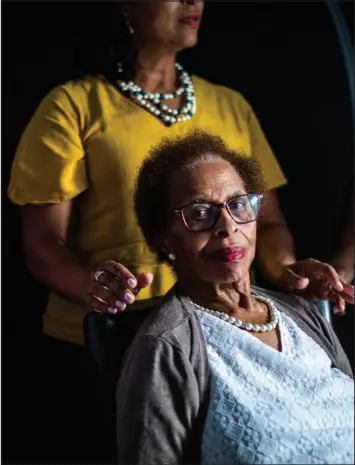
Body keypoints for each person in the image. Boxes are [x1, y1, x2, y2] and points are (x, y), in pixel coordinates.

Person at [6, 1, 347, 461]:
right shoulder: (74, 105)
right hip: (107, 343)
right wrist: (93, 284)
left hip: (222, 336)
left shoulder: (229, 105)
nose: (194, 2)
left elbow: (264, 223)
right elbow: (44, 243)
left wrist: (291, 274)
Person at [116, 130, 354, 465]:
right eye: (200, 212)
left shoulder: (300, 312)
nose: (228, 225)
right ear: (166, 239)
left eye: (239, 204)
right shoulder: (167, 347)